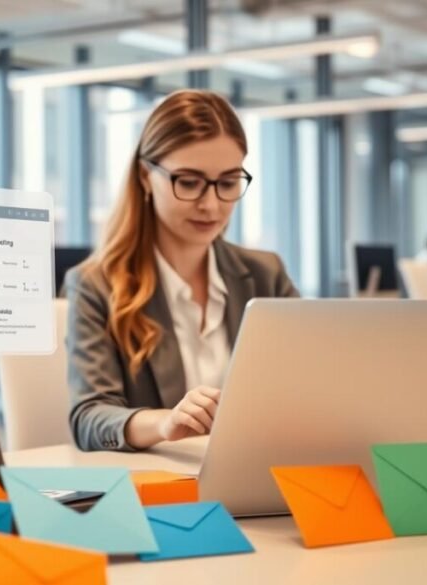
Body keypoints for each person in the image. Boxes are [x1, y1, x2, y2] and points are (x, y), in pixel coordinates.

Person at [64, 90, 299, 452]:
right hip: (162, 489)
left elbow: (307, 386)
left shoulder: (265, 274)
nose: (211, 204)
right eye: (188, 182)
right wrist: (165, 422)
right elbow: (90, 416)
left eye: (227, 183)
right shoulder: (96, 286)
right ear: (146, 177)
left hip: (255, 471)